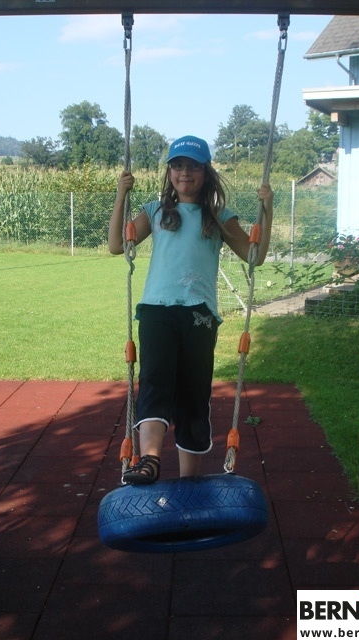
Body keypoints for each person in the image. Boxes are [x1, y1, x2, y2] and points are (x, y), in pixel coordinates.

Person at [108, 135, 273, 484]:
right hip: (157, 310)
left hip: (200, 313)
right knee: (154, 382)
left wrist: (268, 211)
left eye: (194, 166)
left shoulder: (219, 217)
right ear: (170, 172)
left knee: (194, 394)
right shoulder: (155, 212)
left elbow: (254, 256)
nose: (185, 173)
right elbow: (116, 245)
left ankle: (189, 480)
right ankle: (150, 460)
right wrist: (121, 195)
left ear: (206, 172)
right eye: (178, 165)